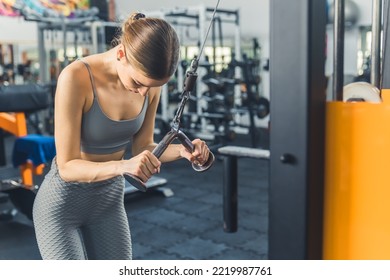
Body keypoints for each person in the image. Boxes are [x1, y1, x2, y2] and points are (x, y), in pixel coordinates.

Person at [32, 12, 211, 260]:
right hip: (63, 205)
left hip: (109, 202)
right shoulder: (76, 77)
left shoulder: (150, 86)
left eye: (152, 86)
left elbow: (144, 147)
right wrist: (123, 166)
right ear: (120, 54)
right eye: (138, 82)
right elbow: (67, 167)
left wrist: (183, 151)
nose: (144, 91)